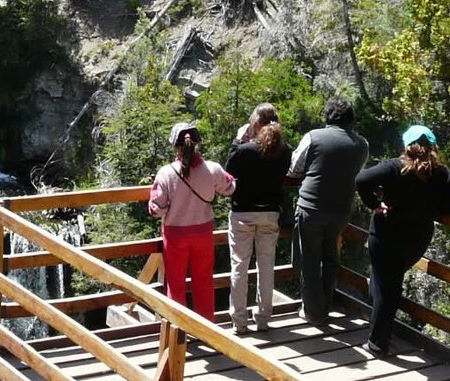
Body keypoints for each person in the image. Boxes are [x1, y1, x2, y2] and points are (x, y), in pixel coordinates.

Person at [356, 124, 450, 355]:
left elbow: (361, 180)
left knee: (387, 287)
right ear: (433, 146)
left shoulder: (393, 167)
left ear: (406, 146)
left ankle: (377, 342)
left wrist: (375, 204)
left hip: (385, 235)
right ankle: (380, 324)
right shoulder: (441, 175)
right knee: (385, 281)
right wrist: (432, 208)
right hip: (416, 240)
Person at [289, 96, 368, 326]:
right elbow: (359, 171)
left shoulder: (314, 137)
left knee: (309, 260)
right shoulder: (362, 144)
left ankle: (314, 313)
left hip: (312, 207)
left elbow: (295, 168)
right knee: (330, 258)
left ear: (328, 116)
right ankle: (325, 304)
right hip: (342, 209)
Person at [149, 122, 235, 321]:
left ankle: (178, 329)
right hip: (203, 234)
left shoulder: (166, 173)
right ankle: (207, 328)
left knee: (176, 284)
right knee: (203, 281)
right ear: (196, 144)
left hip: (175, 235)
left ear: (175, 146)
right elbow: (230, 187)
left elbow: (156, 208)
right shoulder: (213, 169)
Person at [225, 103, 293, 334]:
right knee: (266, 267)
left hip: (243, 213)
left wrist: (237, 141)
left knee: (239, 266)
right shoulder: (286, 152)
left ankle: (239, 322)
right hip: (270, 213)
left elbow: (228, 170)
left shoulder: (245, 151)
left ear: (255, 125)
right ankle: (263, 319)